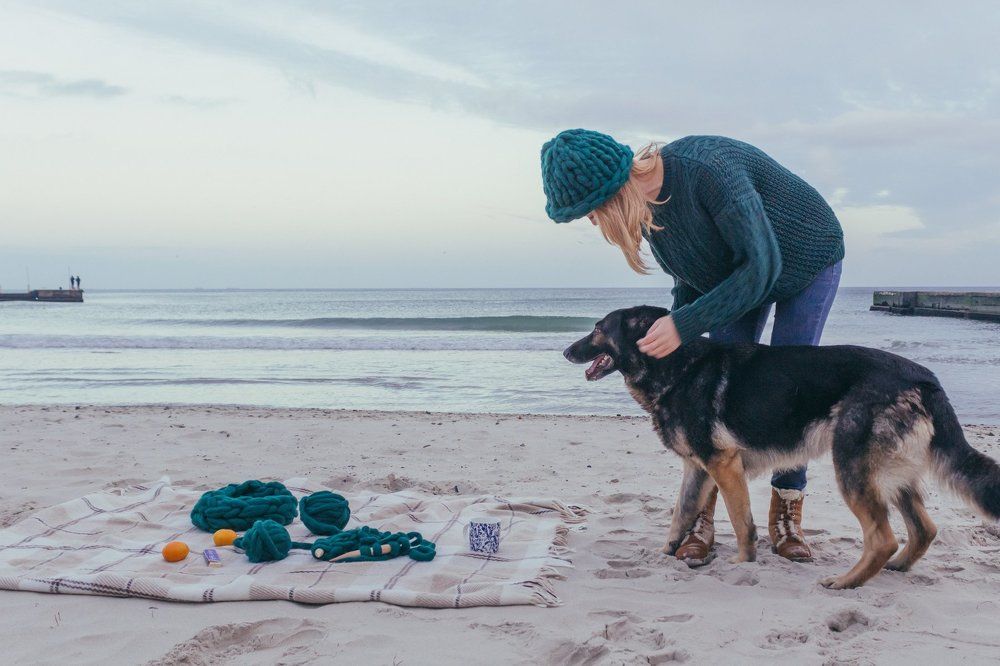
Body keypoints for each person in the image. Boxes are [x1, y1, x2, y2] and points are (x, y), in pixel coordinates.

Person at [540, 130, 844, 564]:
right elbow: (693, 275)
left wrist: (684, 325)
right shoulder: (648, 211)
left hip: (804, 258)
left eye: (591, 210)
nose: (592, 221)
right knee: (711, 406)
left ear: (613, 189)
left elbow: (763, 266)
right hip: (735, 275)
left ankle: (786, 512)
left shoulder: (709, 171)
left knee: (792, 395)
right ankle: (702, 518)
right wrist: (671, 331)